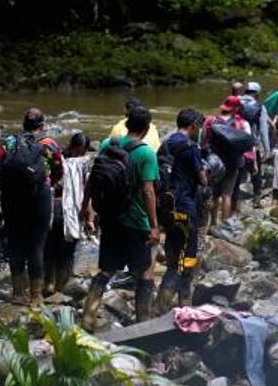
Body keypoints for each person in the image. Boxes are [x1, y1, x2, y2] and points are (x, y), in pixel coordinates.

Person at [81, 106, 160, 329]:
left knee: (106, 269)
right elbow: (148, 190)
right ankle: (143, 323)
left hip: (110, 217)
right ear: (146, 128)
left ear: (126, 125)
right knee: (144, 272)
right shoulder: (146, 153)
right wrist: (154, 226)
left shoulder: (108, 145)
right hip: (136, 222)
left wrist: (86, 206)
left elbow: (93, 178)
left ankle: (87, 318)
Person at [0, 108, 63, 305]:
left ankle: (17, 293)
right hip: (39, 197)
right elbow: (59, 169)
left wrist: (6, 179)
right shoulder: (49, 144)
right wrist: (46, 182)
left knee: (16, 242)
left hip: (12, 198)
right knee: (37, 245)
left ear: (23, 125)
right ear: (42, 125)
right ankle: (36, 295)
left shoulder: (10, 142)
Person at [155, 109, 207, 313]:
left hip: (165, 208)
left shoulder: (165, 144)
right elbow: (202, 178)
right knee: (188, 258)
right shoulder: (190, 147)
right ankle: (183, 304)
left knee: (172, 257)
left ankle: (160, 306)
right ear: (193, 126)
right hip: (185, 207)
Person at [45, 132, 91, 297]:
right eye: (80, 151)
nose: (80, 155)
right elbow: (86, 193)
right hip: (69, 211)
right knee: (66, 252)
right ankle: (58, 289)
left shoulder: (56, 161)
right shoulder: (83, 164)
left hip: (53, 209)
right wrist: (89, 217)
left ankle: (49, 285)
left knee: (50, 249)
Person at [201, 95, 251, 229]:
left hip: (215, 163)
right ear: (236, 109)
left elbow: (204, 141)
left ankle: (212, 224)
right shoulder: (240, 123)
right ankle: (224, 224)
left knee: (214, 194)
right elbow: (247, 145)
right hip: (232, 163)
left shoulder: (210, 120)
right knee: (227, 194)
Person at [239, 82, 271, 197]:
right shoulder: (260, 107)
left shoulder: (236, 103)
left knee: (238, 169)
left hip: (235, 143)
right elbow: (263, 130)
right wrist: (267, 150)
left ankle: (234, 197)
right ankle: (257, 195)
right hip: (252, 144)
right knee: (255, 170)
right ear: (257, 94)